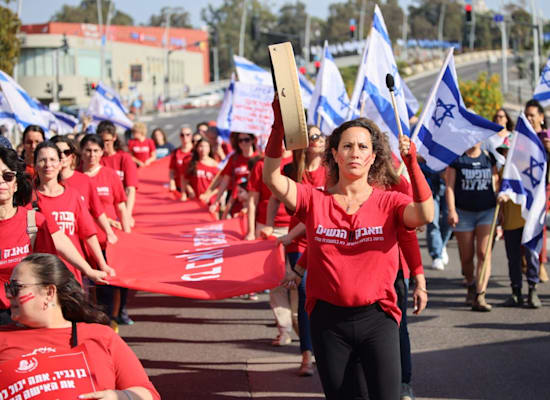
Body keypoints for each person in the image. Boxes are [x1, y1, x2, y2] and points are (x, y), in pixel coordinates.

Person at [263, 95, 434, 400]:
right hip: (329, 323)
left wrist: (412, 164)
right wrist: (279, 127)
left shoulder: (390, 202)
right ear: (335, 154)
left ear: (373, 157)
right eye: (347, 146)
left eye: (363, 146)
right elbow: (272, 178)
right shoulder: (314, 199)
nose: (355, 152)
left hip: (377, 320)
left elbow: (424, 214)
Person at [0, 253, 160, 400]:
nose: (8, 295)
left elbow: (148, 394)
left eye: (16, 288)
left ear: (49, 292)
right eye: (8, 288)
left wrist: (118, 396)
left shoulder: (101, 336)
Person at [0, 147, 109, 325]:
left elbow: (61, 242)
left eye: (7, 176)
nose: (1, 182)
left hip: (28, 315)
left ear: (16, 184)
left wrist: (89, 270)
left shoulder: (33, 221)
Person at [263, 125, 328, 374]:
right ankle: (307, 356)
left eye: (319, 135)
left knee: (322, 296)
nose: (315, 139)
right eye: (311, 135)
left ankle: (324, 346)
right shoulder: (292, 170)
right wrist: (269, 226)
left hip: (325, 238)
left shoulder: (332, 172)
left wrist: (289, 234)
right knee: (303, 291)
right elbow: (274, 196)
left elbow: (323, 211)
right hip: (299, 241)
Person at [32, 141, 114, 284]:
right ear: (35, 165)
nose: (48, 165)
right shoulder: (29, 199)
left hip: (72, 274)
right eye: (42, 160)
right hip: (41, 275)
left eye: (52, 159)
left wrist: (102, 264)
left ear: (60, 163)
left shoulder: (73, 195)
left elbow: (88, 233)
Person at [79, 134, 131, 327]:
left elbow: (121, 207)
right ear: (81, 152)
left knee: (108, 285)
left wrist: (126, 235)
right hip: (81, 242)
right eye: (88, 150)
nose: (92, 155)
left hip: (106, 241)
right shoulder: (75, 176)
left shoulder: (110, 175)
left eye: (96, 151)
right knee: (86, 287)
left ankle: (111, 321)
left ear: (102, 152)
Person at [446, 143, 498, 312]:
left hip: (487, 211)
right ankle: (470, 283)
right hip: (464, 213)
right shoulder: (457, 158)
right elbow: (450, 186)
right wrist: (452, 210)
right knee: (467, 257)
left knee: (484, 253)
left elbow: (496, 182)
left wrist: (501, 206)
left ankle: (480, 294)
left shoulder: (489, 157)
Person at [496, 139, 541, 308]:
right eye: (505, 151)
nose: (507, 153)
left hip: (529, 220)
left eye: (510, 150)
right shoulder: (502, 171)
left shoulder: (529, 168)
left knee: (531, 256)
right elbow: (499, 190)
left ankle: (532, 289)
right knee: (513, 258)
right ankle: (516, 292)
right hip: (510, 221)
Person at [50, 135, 118, 246]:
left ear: (72, 155)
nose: (62, 156)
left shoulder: (84, 180)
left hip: (85, 246)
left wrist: (109, 233)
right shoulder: (42, 184)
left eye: (66, 152)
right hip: (53, 247)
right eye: (58, 152)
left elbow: (98, 211)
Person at [524, 99, 550, 283]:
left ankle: (540, 264)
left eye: (532, 115)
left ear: (541, 117)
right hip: (524, 190)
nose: (529, 118)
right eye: (526, 115)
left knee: (539, 227)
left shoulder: (547, 137)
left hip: (543, 190)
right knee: (521, 228)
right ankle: (525, 261)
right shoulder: (521, 137)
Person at [202, 132, 258, 214]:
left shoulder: (259, 158)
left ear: (252, 140)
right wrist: (216, 201)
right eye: (240, 140)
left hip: (254, 202)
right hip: (236, 202)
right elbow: (225, 180)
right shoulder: (234, 158)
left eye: (246, 140)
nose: (243, 143)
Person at [98, 120, 139, 229]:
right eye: (101, 141)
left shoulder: (124, 158)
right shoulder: (95, 160)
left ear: (114, 137)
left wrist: (127, 215)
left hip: (121, 211)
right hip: (103, 214)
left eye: (107, 140)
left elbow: (131, 189)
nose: (104, 144)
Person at [420, 159, 452, 271]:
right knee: (432, 222)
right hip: (429, 187)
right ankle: (436, 255)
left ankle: (442, 244)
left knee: (449, 219)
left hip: (447, 186)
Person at [181, 137, 219, 202]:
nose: (203, 149)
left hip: (210, 200)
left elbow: (220, 185)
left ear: (209, 148)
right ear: (197, 148)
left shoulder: (215, 164)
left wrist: (208, 195)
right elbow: (185, 180)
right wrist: (190, 190)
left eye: (206, 146)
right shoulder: (192, 163)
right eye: (201, 146)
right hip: (194, 199)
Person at [169, 125, 194, 192]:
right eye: (182, 135)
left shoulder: (195, 151)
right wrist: (172, 182)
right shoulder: (176, 152)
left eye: (187, 134)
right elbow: (172, 170)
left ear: (191, 136)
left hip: (193, 187)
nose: (185, 137)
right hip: (180, 186)